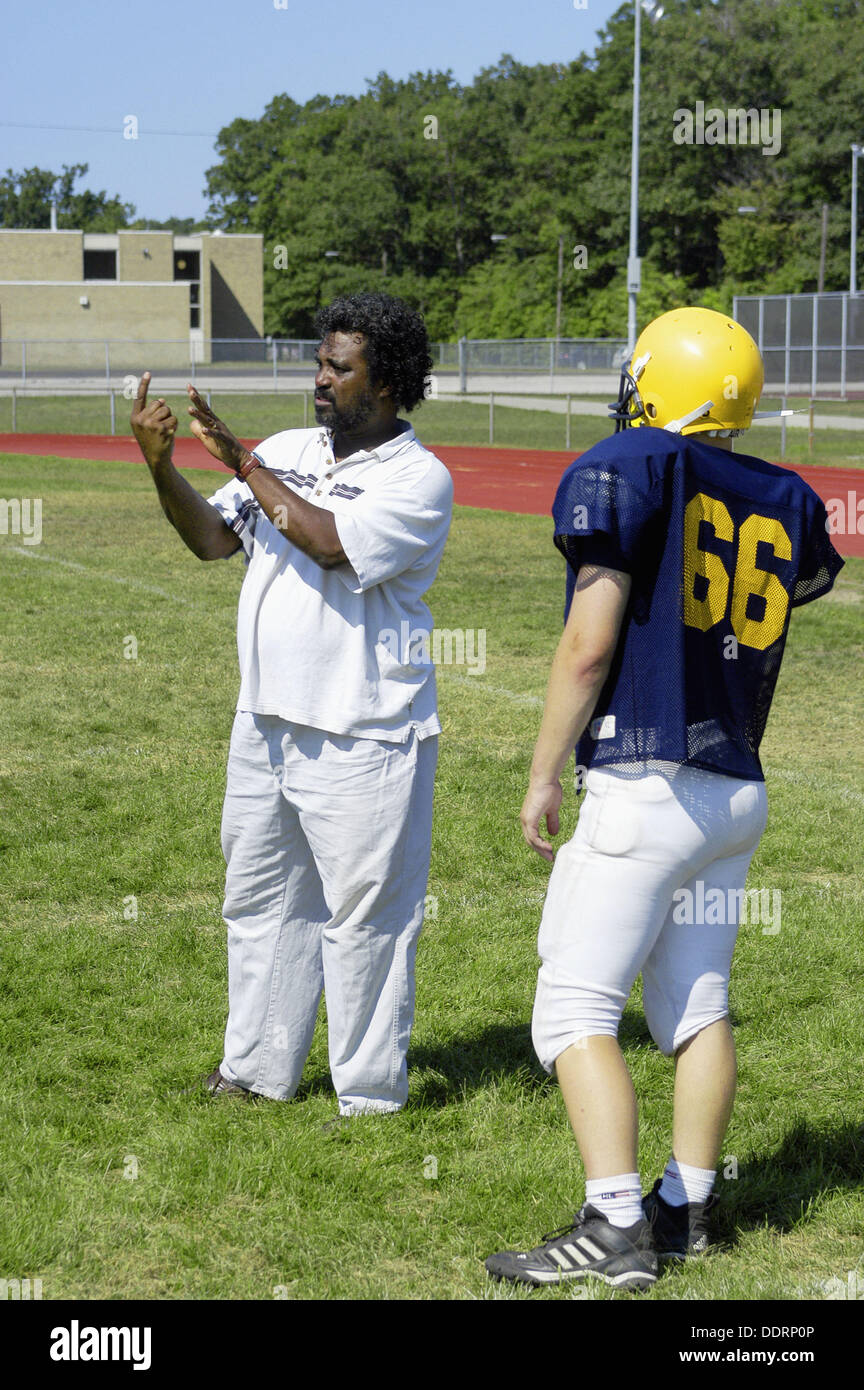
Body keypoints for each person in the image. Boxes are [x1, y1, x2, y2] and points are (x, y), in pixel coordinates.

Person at [485, 307, 844, 1291]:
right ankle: (685, 1207)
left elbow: (590, 642)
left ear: (657, 382)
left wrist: (542, 768)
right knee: (696, 1002)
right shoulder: (784, 492)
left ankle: (614, 1225)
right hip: (734, 789)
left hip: (646, 780)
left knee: (569, 1010)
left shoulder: (628, 466)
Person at [130, 292, 453, 1117]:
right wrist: (163, 465)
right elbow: (212, 539)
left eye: (337, 368)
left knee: (365, 921)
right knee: (260, 904)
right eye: (319, 362)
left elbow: (327, 541)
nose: (319, 379)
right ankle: (255, 1071)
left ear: (386, 385)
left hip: (367, 733)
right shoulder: (285, 449)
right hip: (266, 720)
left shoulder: (420, 479)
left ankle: (370, 1097)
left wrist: (241, 459)